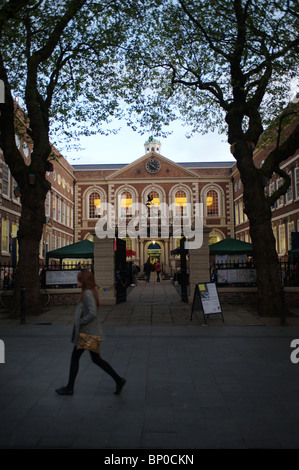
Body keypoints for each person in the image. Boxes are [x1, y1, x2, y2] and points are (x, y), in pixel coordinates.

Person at [55, 270, 126, 396]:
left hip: (87, 334)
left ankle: (70, 388)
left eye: (78, 279)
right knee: (96, 359)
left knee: (76, 359)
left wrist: (80, 321)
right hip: (89, 333)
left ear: (84, 281)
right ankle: (118, 380)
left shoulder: (87, 293)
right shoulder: (89, 292)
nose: (76, 282)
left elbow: (92, 312)